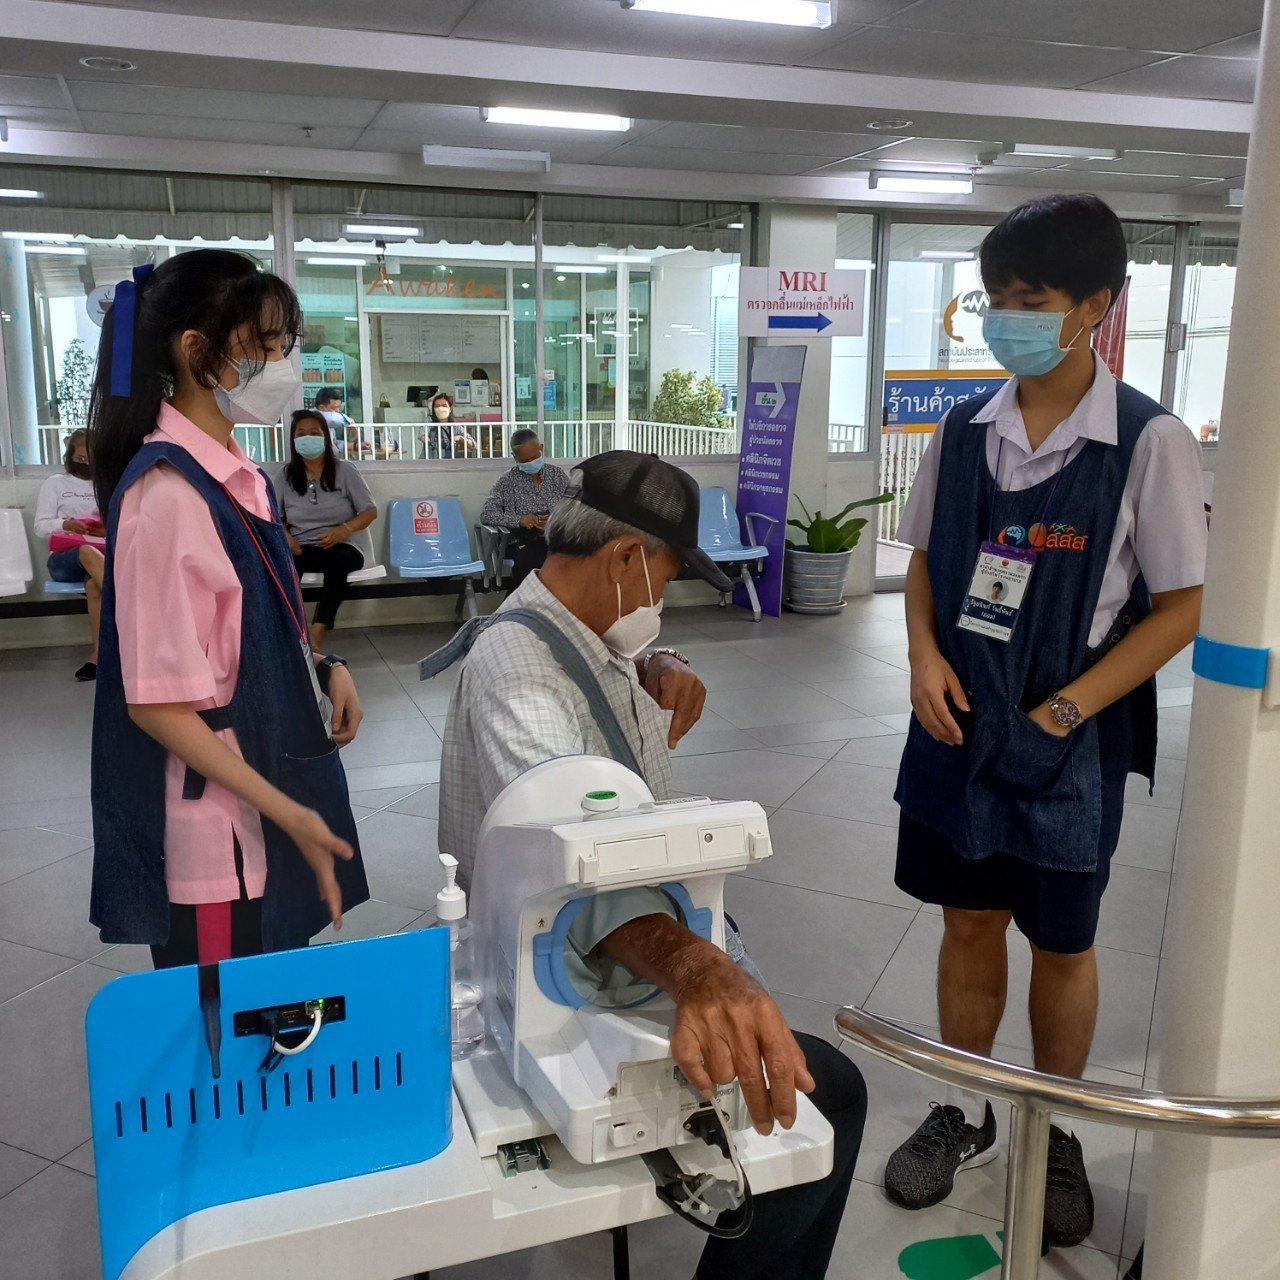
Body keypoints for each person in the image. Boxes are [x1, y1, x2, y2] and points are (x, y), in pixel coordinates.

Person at [424, 451, 867, 1280]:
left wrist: (657, 664)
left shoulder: (579, 631)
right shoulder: (519, 678)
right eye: (666, 576)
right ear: (627, 557)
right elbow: (570, 873)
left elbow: (600, 675)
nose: (663, 599)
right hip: (574, 971)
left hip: (600, 947)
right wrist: (700, 970)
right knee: (830, 1092)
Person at [885, 195, 1207, 1248]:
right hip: (956, 718)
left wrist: (1067, 708)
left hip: (1072, 737)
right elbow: (924, 562)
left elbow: (1181, 607)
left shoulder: (1148, 442)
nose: (1006, 318)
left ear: (1095, 307)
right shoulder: (960, 431)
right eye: (995, 298)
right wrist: (923, 656)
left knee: (1062, 942)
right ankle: (967, 1106)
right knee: (965, 920)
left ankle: (1051, 1125)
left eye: (1031, 299)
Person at [86, 250, 370, 969]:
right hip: (221, 845)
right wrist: (287, 810)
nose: (284, 366)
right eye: (266, 345)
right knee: (228, 1024)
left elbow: (247, 630)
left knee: (276, 1008)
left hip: (266, 805)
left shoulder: (238, 476)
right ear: (197, 352)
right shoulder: (167, 498)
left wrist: (324, 666)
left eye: (283, 344)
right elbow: (158, 706)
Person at [276, 409, 378, 651]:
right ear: (293, 440)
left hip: (343, 546)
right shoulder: (285, 476)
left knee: (337, 564)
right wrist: (287, 537)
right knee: (283, 568)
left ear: (325, 437)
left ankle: (318, 630)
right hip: (302, 548)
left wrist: (344, 529)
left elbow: (369, 511)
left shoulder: (346, 471)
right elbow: (272, 516)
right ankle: (290, 633)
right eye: (301, 434)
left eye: (314, 432)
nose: (308, 438)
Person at [34, 428, 106, 680]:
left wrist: (104, 528)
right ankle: (125, 602)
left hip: (100, 555)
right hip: (64, 559)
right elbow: (40, 527)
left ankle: (98, 657)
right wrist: (64, 524)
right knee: (86, 551)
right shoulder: (55, 483)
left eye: (90, 459)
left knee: (95, 586)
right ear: (70, 457)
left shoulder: (106, 484)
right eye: (80, 458)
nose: (85, 463)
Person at [479, 428, 571, 590]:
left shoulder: (557, 475)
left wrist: (555, 519)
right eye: (525, 460)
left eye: (534, 457)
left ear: (541, 449)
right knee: (534, 559)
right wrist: (520, 520)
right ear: (515, 458)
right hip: (522, 539)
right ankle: (527, 600)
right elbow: (487, 514)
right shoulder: (508, 481)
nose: (531, 462)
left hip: (555, 536)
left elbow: (574, 506)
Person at [421, 393, 477, 459]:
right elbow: (422, 436)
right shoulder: (429, 420)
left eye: (444, 405)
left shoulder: (455, 425)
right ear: (433, 409)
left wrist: (460, 438)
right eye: (437, 406)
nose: (440, 408)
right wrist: (431, 443)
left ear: (450, 408)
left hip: (449, 462)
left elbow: (473, 445)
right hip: (429, 461)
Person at [314, 386, 352, 458]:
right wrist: (349, 420)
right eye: (335, 408)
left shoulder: (329, 423)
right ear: (321, 407)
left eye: (339, 407)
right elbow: (333, 419)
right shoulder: (314, 418)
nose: (338, 411)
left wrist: (356, 445)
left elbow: (334, 444)